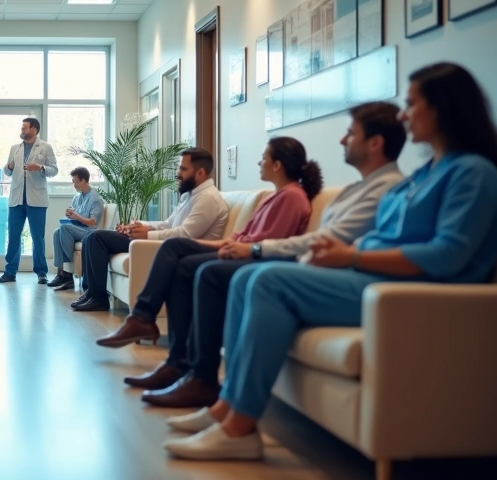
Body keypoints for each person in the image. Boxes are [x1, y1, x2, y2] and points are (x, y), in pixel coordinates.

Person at [163, 62, 497, 461]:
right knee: (246, 279)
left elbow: (448, 255)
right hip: (371, 277)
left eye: (411, 104)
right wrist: (345, 258)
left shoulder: (473, 172)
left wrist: (351, 255)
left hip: (406, 292)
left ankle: (239, 428)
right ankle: (226, 407)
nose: (404, 115)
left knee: (267, 280)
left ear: (443, 107)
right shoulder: (426, 173)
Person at [138, 102, 407, 409]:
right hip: (282, 257)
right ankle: (204, 380)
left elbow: (298, 241)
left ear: (375, 143)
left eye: (351, 133)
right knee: (186, 261)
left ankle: (203, 379)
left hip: (291, 262)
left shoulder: (366, 191)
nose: (342, 140)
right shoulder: (350, 190)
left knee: (204, 270)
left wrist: (252, 248)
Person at [95, 137, 323, 396]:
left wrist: (212, 245)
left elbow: (262, 246)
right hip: (241, 251)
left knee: (181, 253)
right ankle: (174, 359)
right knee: (181, 263)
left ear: (278, 165)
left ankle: (147, 323)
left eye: (264, 158)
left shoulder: (291, 197)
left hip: (255, 260)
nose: (259, 163)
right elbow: (240, 239)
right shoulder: (277, 197)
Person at [73, 148, 229, 312]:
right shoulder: (192, 195)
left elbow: (185, 235)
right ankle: (92, 292)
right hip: (164, 242)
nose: (177, 173)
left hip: (171, 248)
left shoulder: (208, 198)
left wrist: (147, 234)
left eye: (183, 169)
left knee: (97, 238)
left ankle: (98, 298)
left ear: (200, 173)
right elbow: (168, 223)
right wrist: (140, 225)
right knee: (91, 238)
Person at [0, 117, 59, 285]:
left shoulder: (45, 147)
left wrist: (40, 168)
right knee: (13, 236)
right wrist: (9, 167)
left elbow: (54, 170)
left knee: (37, 237)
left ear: (34, 129)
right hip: (17, 198)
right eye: (22, 127)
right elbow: (7, 171)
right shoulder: (15, 148)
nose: (22, 130)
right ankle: (10, 271)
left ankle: (41, 273)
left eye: (25, 127)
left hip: (37, 199)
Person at [47, 167, 105, 291]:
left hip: (89, 231)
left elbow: (93, 222)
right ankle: (62, 274)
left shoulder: (96, 199)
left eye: (76, 182)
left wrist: (76, 216)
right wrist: (70, 214)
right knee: (57, 232)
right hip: (76, 228)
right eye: (73, 182)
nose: (74, 185)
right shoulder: (77, 197)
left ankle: (67, 273)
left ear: (84, 181)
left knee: (64, 229)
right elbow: (74, 215)